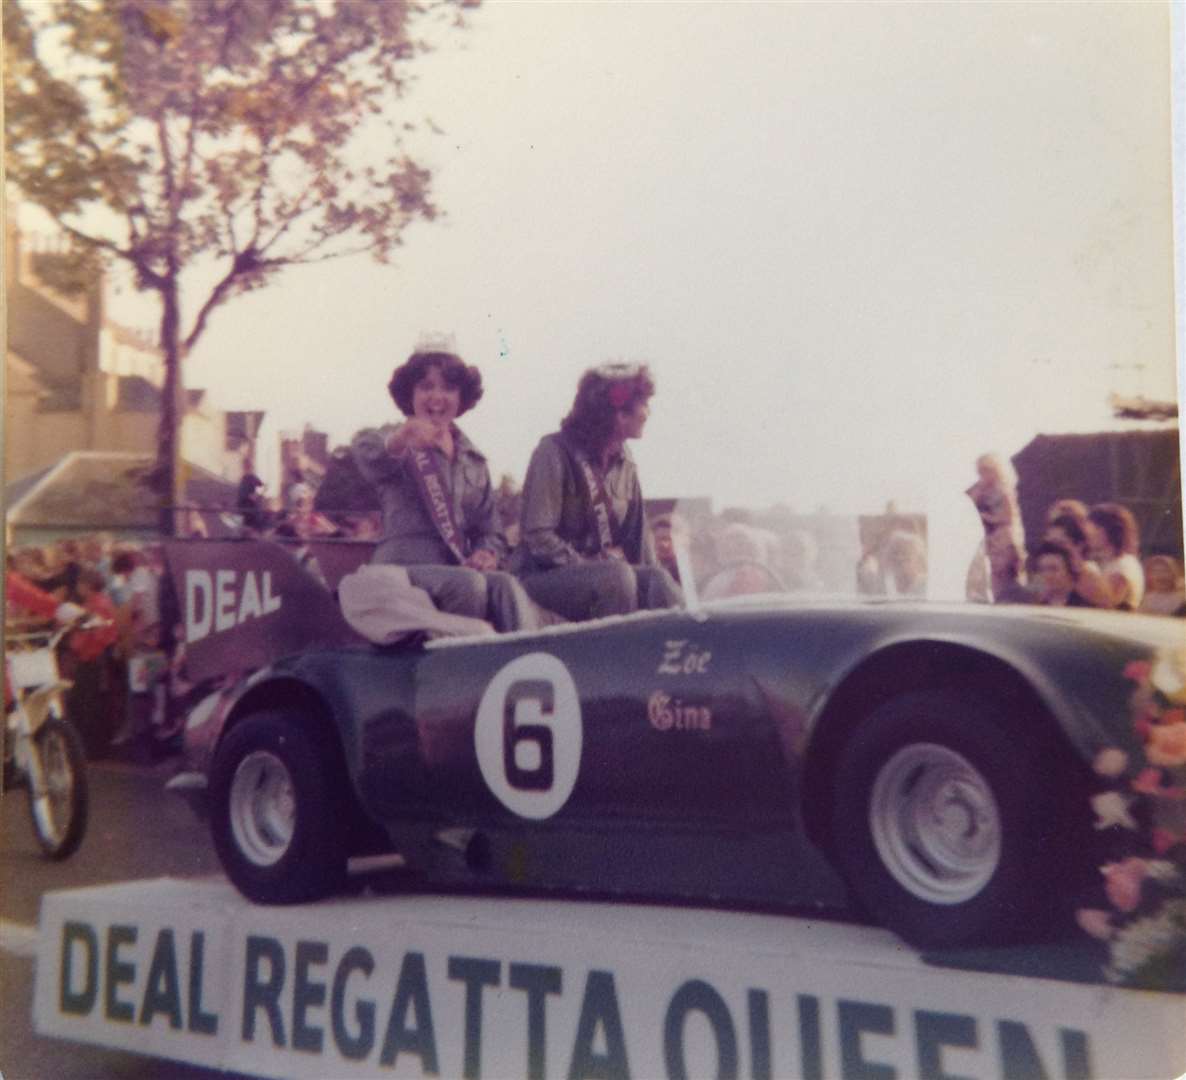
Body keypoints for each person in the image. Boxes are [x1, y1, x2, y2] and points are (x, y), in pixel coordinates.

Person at [351, 348, 539, 632]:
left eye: (449, 388)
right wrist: (401, 439)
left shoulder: (474, 460)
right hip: (403, 568)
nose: (437, 397)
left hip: (457, 567)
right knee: (469, 586)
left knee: (505, 586)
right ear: (410, 394)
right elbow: (368, 454)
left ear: (461, 398)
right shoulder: (395, 437)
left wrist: (487, 553)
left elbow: (492, 530)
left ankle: (521, 662)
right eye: (426, 387)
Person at [514, 363, 682, 621]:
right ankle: (615, 658)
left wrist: (658, 580)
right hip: (542, 578)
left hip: (605, 574)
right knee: (616, 578)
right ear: (618, 415)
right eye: (643, 405)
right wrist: (587, 563)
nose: (648, 413)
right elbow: (538, 535)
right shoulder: (554, 451)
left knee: (657, 579)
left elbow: (638, 542)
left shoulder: (626, 461)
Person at [965, 453, 1025, 601]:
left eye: (987, 469)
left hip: (1002, 534)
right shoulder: (979, 489)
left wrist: (987, 518)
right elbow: (967, 505)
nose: (983, 474)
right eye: (980, 470)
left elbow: (1008, 517)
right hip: (986, 536)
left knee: (1002, 570)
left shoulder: (1003, 490)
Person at [1085, 502, 1145, 611]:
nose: (1088, 535)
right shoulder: (1102, 562)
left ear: (1107, 531)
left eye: (1093, 529)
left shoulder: (1124, 564)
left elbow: (1109, 601)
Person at [1031, 539, 1094, 607]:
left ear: (1069, 570)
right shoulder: (1036, 607)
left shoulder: (1084, 607)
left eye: (1053, 569)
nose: (1047, 575)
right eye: (1042, 570)